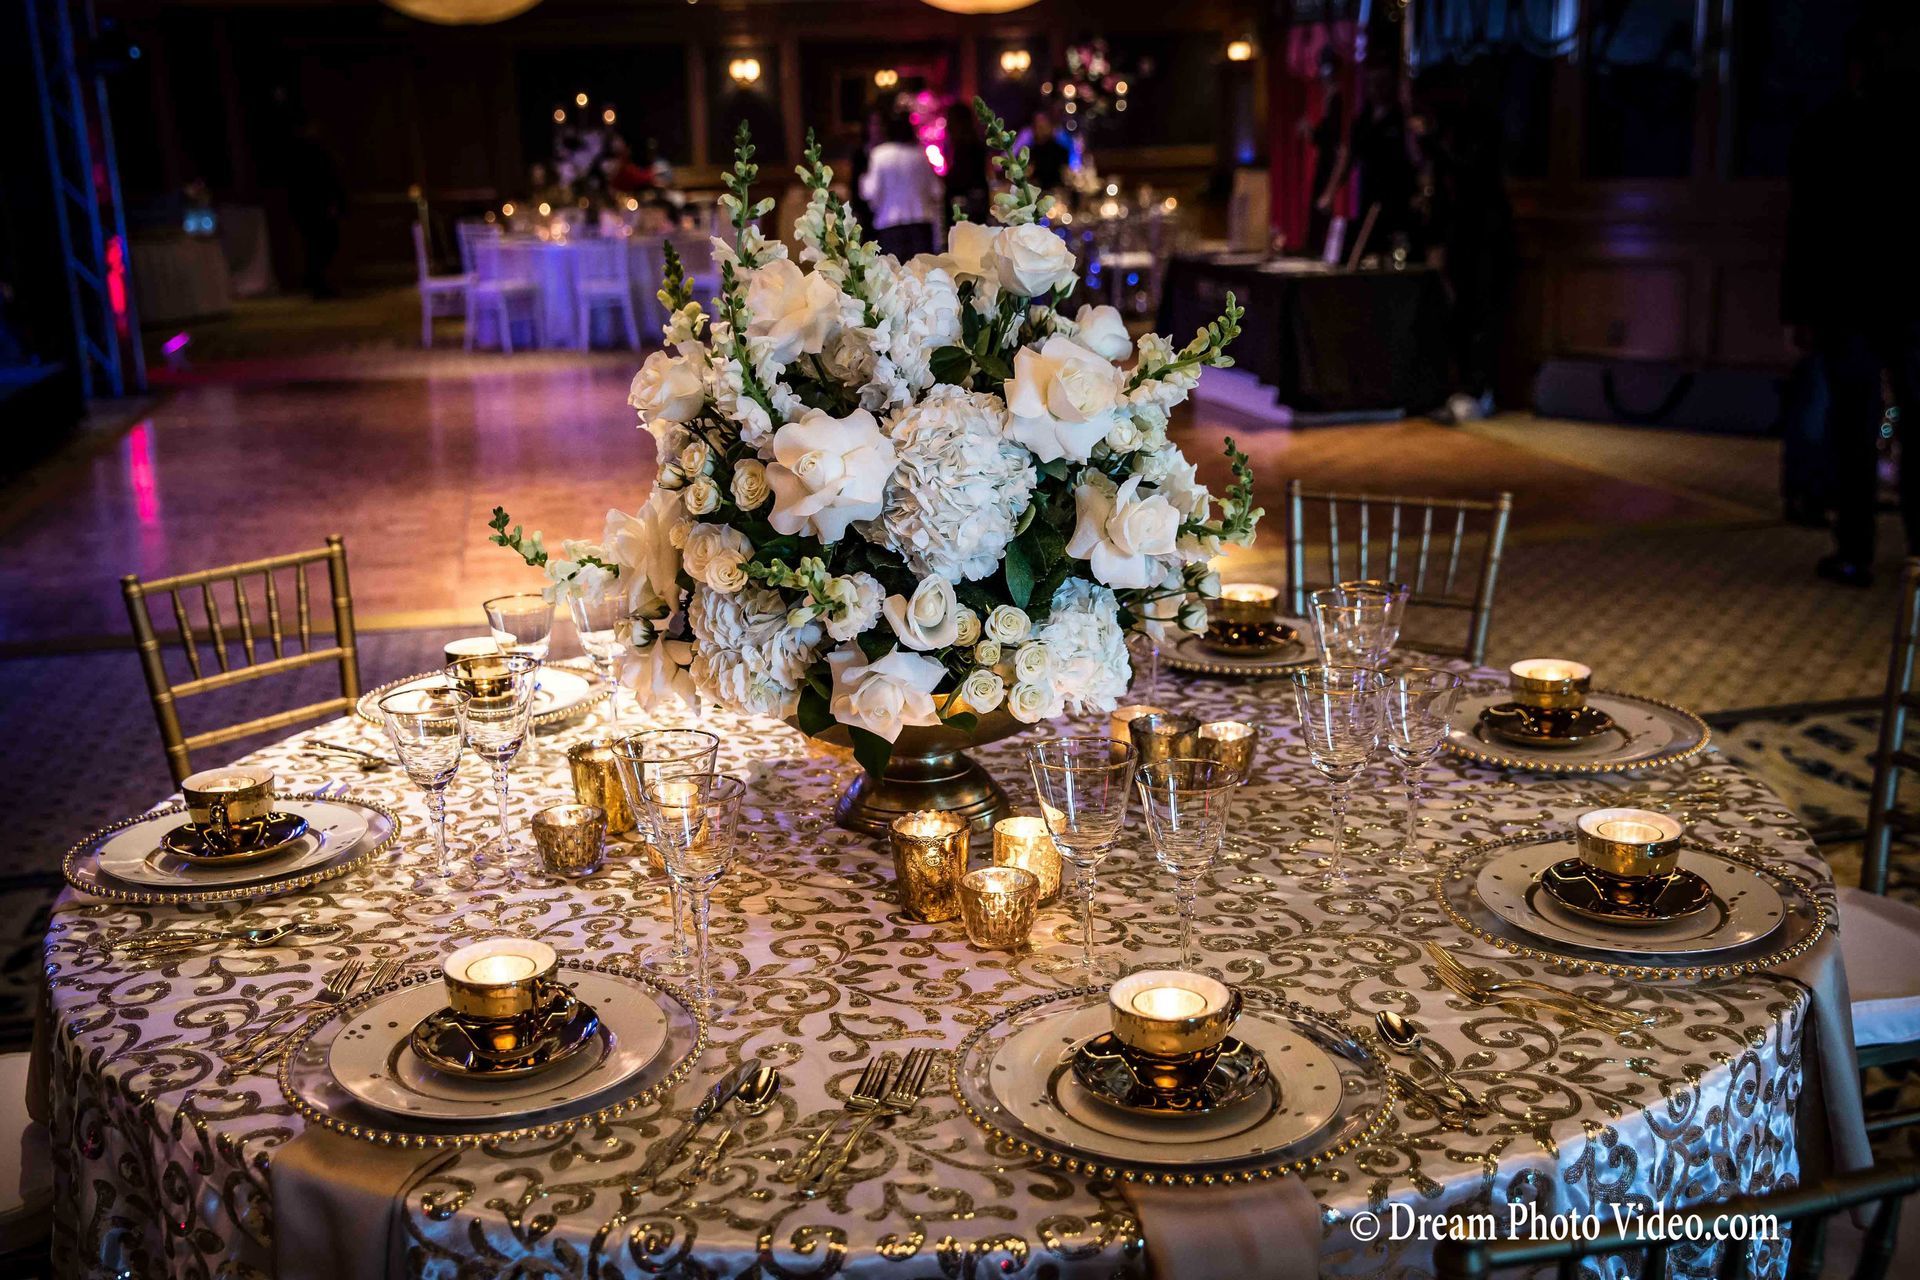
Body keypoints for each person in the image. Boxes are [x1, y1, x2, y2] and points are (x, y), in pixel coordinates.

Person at [1784, 22, 1920, 587]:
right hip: (1905, 296)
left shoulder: (1830, 128)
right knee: (1904, 423)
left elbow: (1808, 227)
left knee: (1854, 429)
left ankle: (1855, 551)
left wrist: (1801, 309)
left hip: (1849, 299)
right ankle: (1915, 549)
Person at [1317, 61, 1419, 259]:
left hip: (1399, 197)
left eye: (1383, 82)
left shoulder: (1402, 118)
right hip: (1369, 198)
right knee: (1364, 253)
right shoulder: (1363, 120)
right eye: (1373, 82)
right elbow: (1348, 156)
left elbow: (1416, 157)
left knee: (1400, 254)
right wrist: (1329, 193)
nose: (1378, 88)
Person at [858, 113, 942, 260]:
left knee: (894, 277)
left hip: (890, 226)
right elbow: (937, 190)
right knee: (922, 277)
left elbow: (870, 192)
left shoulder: (880, 155)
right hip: (921, 226)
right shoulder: (920, 154)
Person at [286, 125, 345, 298]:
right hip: (315, 209)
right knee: (319, 247)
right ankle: (319, 283)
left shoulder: (307, 157)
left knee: (320, 247)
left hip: (313, 209)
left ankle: (320, 282)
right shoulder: (312, 157)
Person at [1302, 47, 1345, 257]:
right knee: (1317, 215)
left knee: (1323, 213)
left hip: (1331, 166)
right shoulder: (1330, 98)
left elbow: (1336, 142)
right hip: (1325, 163)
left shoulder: (1338, 99)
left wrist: (1311, 130)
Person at [942, 102, 990, 225]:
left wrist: (944, 182)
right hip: (978, 199)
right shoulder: (977, 142)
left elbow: (962, 175)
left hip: (964, 202)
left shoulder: (963, 146)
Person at [1025, 110, 1071, 192]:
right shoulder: (1030, 151)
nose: (1041, 129)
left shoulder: (1060, 151)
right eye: (1038, 126)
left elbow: (1066, 176)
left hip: (1057, 195)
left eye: (1043, 126)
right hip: (1037, 194)